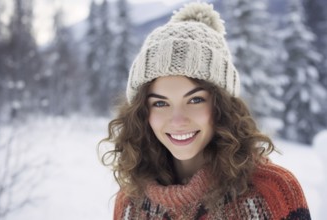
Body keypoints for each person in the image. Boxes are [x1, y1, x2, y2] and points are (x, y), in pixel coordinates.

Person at [100, 2, 311, 219]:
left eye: (195, 100)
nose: (177, 120)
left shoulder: (273, 192)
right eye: (160, 103)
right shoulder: (129, 202)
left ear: (223, 106)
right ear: (142, 114)